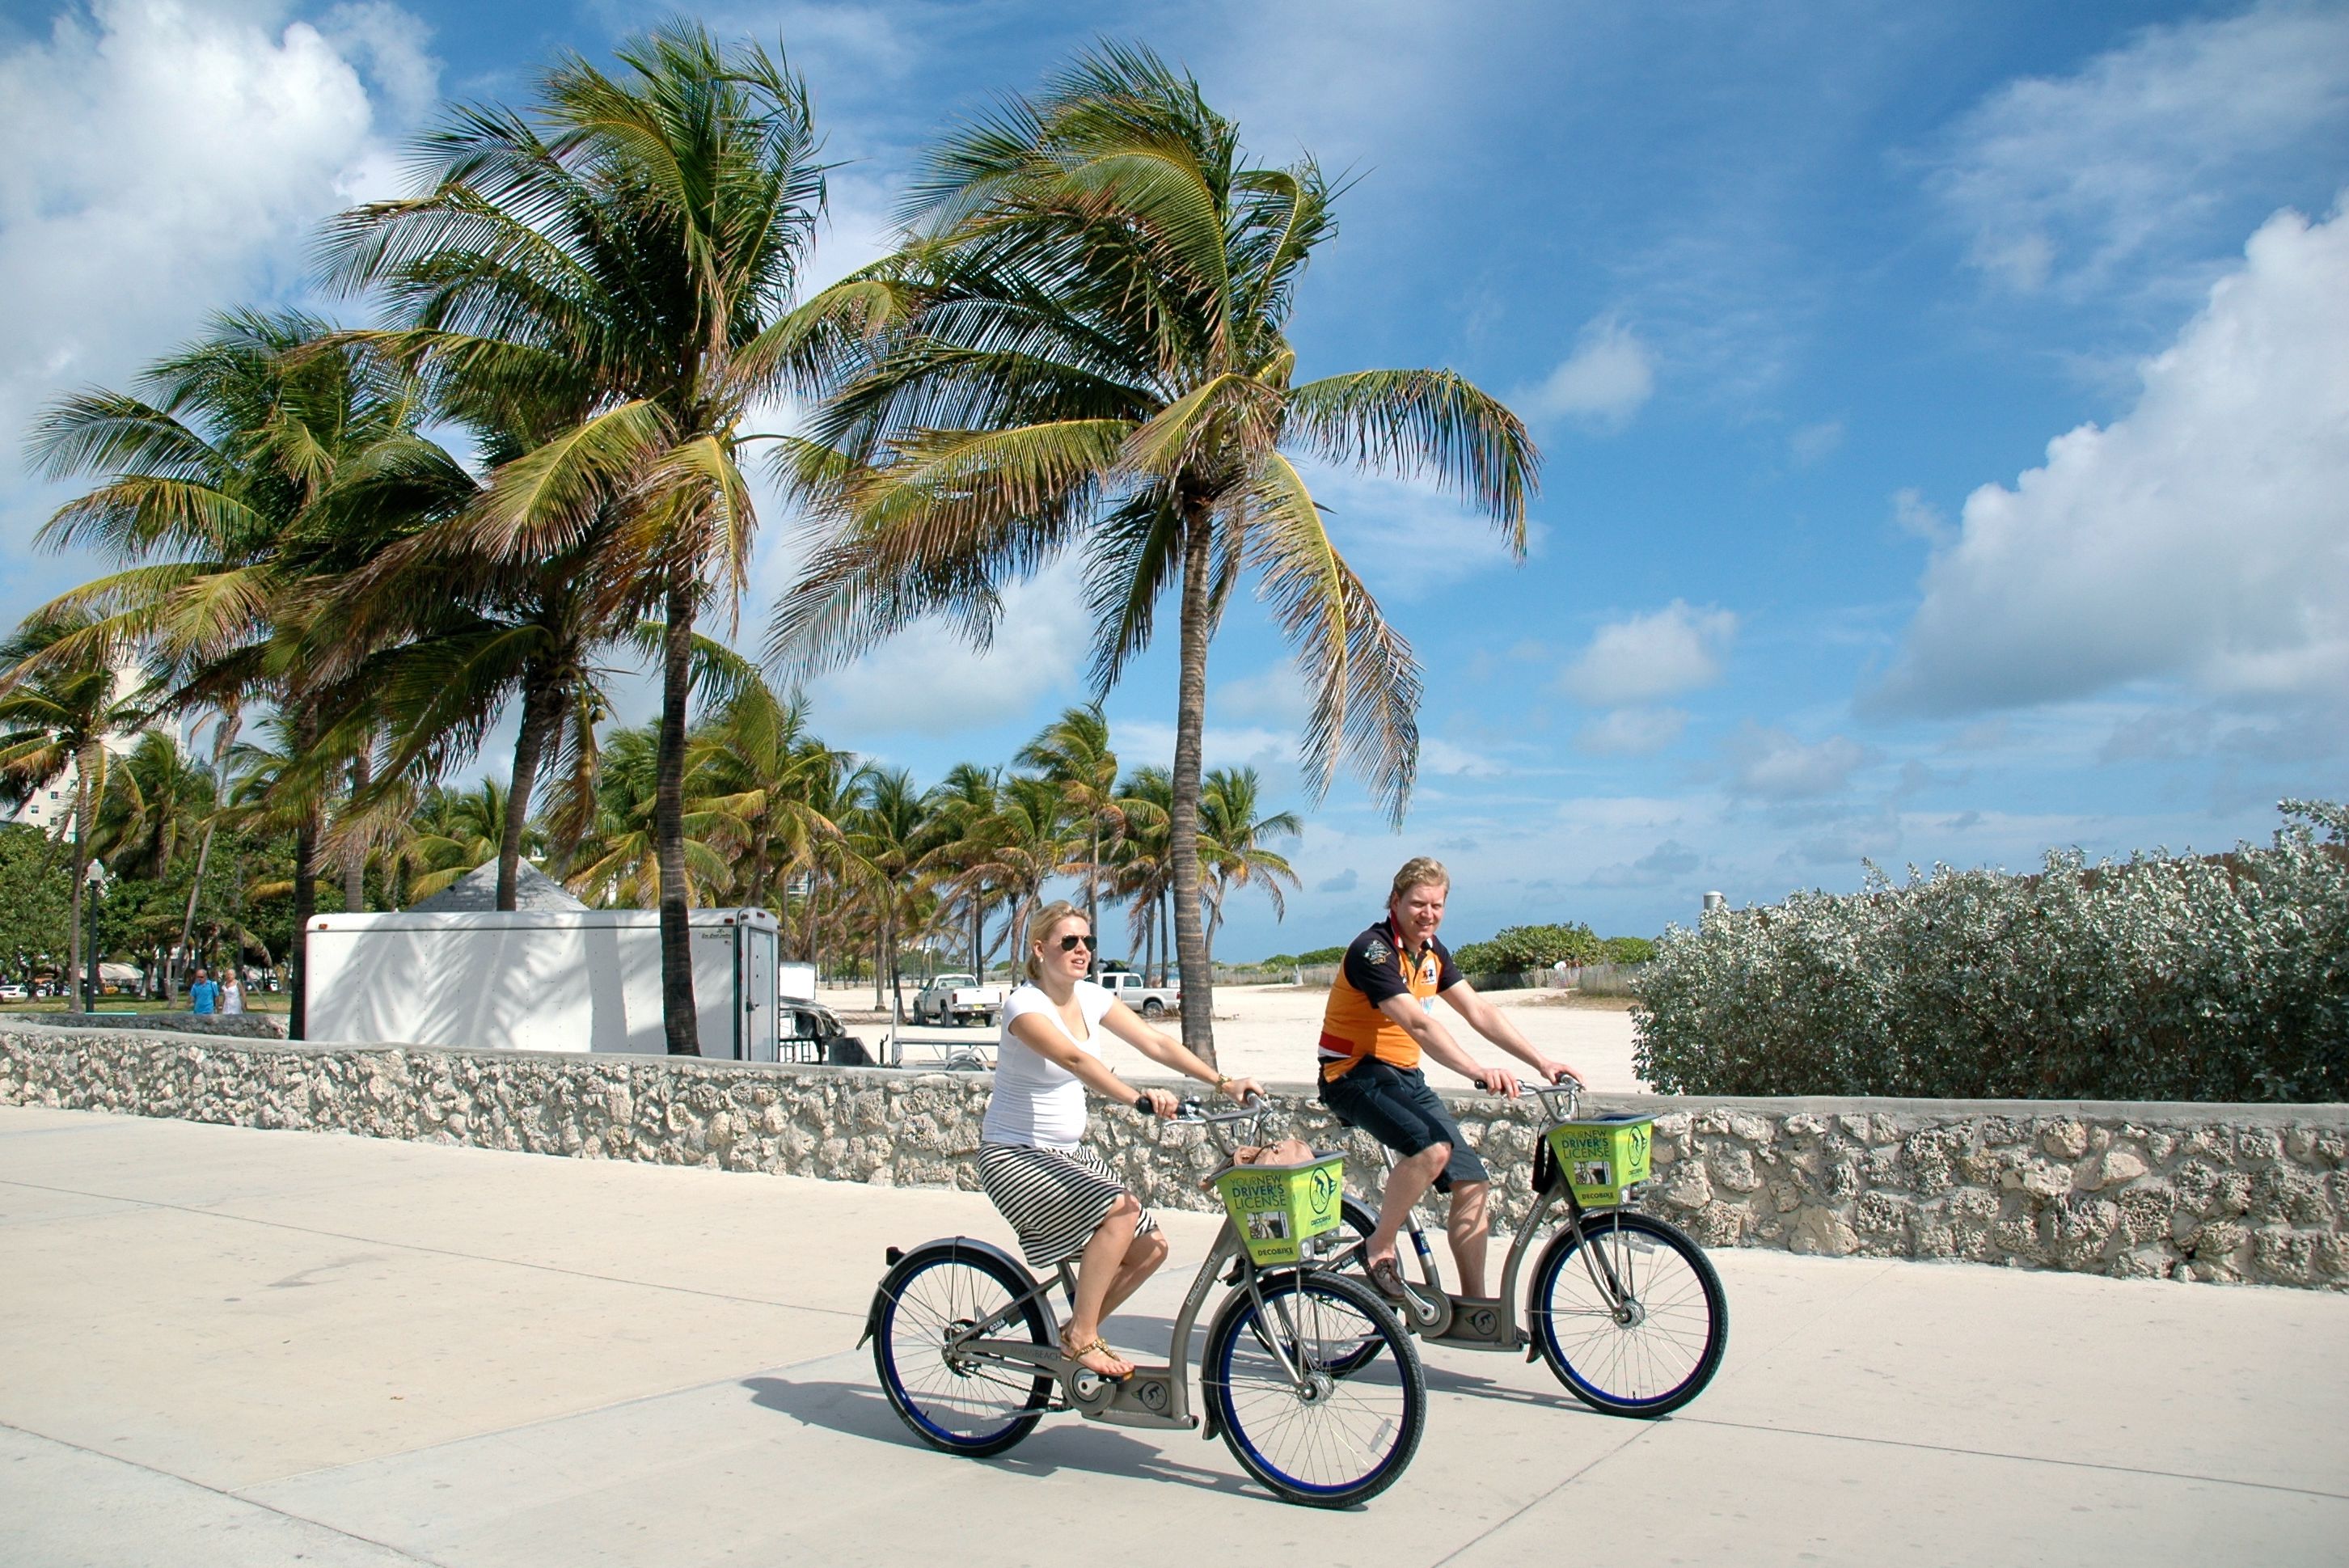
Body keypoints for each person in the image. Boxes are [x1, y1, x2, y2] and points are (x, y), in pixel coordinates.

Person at [978, 900, 1262, 1380]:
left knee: (1151, 1247)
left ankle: (1072, 1333)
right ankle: (1083, 1337)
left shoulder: (1090, 997)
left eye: (1088, 941)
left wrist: (1222, 1082)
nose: (1081, 950)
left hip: (1070, 1155)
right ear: (1040, 948)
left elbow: (1156, 1043)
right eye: (1069, 942)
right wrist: (1139, 1099)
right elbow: (1076, 1062)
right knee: (1120, 1211)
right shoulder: (1023, 1006)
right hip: (1014, 1155)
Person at [1317, 857, 1582, 1301]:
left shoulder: (1432, 953)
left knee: (1472, 1182)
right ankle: (1379, 1246)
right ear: (1395, 901)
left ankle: (1476, 1309)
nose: (1428, 913)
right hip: (1352, 1075)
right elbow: (1418, 1025)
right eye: (1419, 903)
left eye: (1437, 905)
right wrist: (1478, 1071)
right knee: (1432, 1149)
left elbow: (1479, 1011)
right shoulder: (1374, 950)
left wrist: (1542, 1062)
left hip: (1403, 1078)